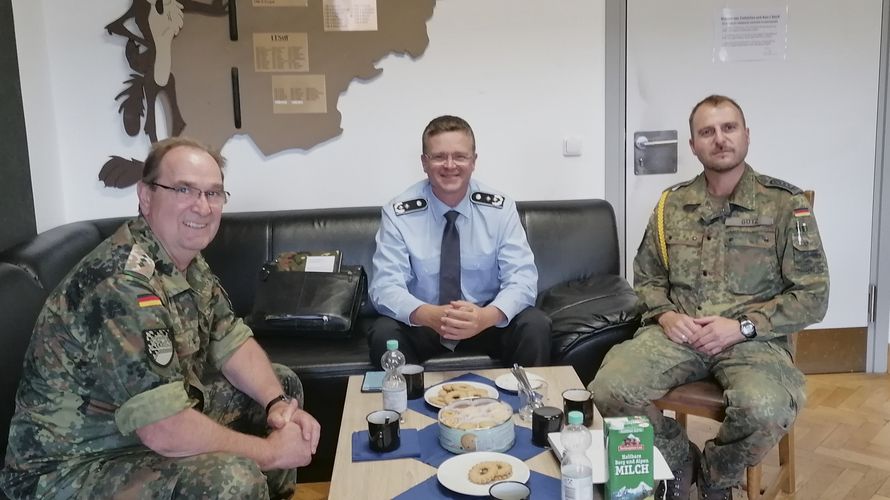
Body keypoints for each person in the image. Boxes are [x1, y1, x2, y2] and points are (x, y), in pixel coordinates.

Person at [0, 137, 321, 500]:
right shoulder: (122, 284)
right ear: (146, 195)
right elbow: (165, 430)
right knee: (232, 478)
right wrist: (271, 453)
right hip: (71, 468)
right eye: (185, 189)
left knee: (282, 385)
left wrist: (278, 407)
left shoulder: (184, 260)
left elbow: (231, 341)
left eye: (214, 194)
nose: (203, 207)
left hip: (131, 436)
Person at [590, 95, 829, 499]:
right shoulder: (671, 205)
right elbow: (647, 277)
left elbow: (813, 295)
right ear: (693, 145)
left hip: (754, 342)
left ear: (746, 135)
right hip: (677, 335)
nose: (719, 139)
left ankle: (718, 476)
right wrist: (666, 316)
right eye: (707, 132)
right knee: (609, 389)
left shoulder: (786, 205)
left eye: (729, 128)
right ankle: (680, 460)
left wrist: (741, 327)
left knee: (766, 408)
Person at [366, 115, 551, 368]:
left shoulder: (500, 209)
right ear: (424, 162)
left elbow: (523, 279)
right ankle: (403, 407)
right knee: (384, 333)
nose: (450, 165)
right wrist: (429, 315)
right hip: (425, 322)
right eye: (439, 156)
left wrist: (486, 316)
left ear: (474, 161)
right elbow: (385, 286)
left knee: (535, 324)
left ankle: (530, 404)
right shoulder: (398, 213)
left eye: (460, 156)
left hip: (485, 321)